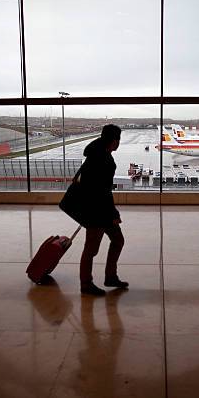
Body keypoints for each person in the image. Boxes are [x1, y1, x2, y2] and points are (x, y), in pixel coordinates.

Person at [78, 124, 128, 296]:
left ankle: (110, 277)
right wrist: (113, 214)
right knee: (91, 249)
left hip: (96, 208)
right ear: (114, 141)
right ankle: (86, 284)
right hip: (97, 211)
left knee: (117, 240)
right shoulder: (104, 160)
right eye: (118, 140)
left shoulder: (95, 153)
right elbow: (103, 191)